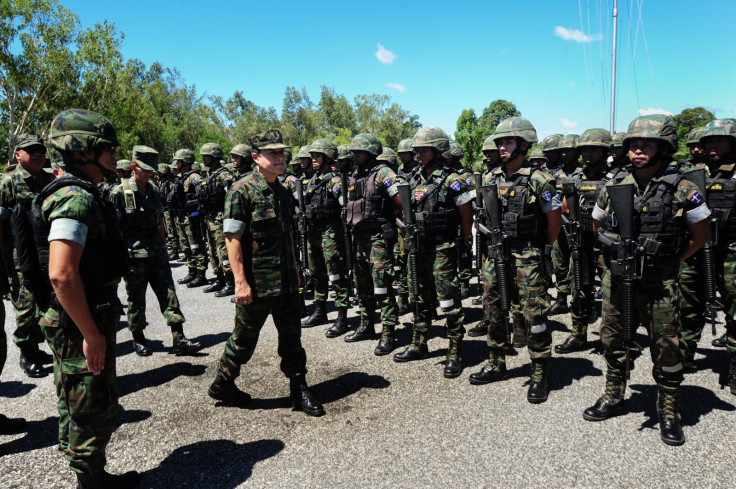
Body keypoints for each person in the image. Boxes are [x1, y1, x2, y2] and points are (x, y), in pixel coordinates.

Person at [583, 114, 709, 446]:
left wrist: (672, 261)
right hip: (619, 279)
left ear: (663, 149)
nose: (638, 150)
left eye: (646, 144)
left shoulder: (683, 187)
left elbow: (699, 235)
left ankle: (668, 410)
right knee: (612, 339)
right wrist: (612, 260)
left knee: (667, 347)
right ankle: (614, 394)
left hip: (659, 282)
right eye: (634, 145)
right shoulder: (615, 185)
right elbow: (596, 227)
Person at [40, 109, 140, 487]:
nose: (115, 155)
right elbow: (61, 275)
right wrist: (91, 335)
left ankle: (90, 476)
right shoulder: (75, 199)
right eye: (107, 148)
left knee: (77, 401)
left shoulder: (81, 192)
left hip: (79, 314)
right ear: (82, 151)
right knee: (92, 407)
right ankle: (91, 482)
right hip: (78, 320)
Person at [207, 129, 324, 417]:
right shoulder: (241, 190)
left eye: (282, 152)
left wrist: (296, 269)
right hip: (256, 284)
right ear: (256, 157)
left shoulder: (283, 192)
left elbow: (290, 235)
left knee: (292, 338)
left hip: (284, 282)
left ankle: (299, 389)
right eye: (273, 153)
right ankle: (223, 383)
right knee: (244, 340)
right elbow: (231, 239)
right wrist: (240, 282)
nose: (280, 157)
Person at [469, 117, 562, 404]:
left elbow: (554, 222)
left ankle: (539, 372)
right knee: (493, 309)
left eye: (508, 142)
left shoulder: (539, 180)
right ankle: (497, 363)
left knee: (535, 315)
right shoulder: (489, 178)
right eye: (500, 143)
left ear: (523, 145)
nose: (502, 148)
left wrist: (539, 250)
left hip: (527, 255)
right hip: (496, 254)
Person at [393, 127, 472, 378]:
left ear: (439, 152)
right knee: (418, 295)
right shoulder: (413, 178)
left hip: (442, 247)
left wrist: (464, 241)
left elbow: (466, 215)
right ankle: (419, 343)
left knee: (448, 300)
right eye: (416, 150)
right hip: (418, 247)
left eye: (424, 150)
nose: (418, 154)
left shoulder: (452, 180)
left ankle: (455, 351)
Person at [109, 146, 201, 357]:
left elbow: (159, 221)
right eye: (145, 168)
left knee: (169, 295)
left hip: (156, 252)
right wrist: (122, 260)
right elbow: (114, 230)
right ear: (133, 167)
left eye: (152, 169)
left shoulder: (152, 189)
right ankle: (138, 338)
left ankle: (179, 337)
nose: (150, 173)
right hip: (134, 255)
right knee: (136, 299)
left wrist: (164, 248)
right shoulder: (119, 192)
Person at [0, 134, 55, 378]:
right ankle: (27, 353)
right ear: (17, 154)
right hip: (19, 256)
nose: (37, 154)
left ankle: (36, 346)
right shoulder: (7, 182)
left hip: (49, 251)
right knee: (25, 308)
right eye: (30, 150)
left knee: (47, 301)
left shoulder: (50, 179)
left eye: (40, 150)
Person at [555, 128, 612, 354]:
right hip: (581, 242)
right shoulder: (575, 180)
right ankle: (578, 335)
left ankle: (612, 337)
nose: (588, 154)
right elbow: (565, 208)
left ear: (604, 151)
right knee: (578, 288)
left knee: (612, 293)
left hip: (608, 244)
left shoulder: (615, 178)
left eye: (593, 149)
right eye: (585, 149)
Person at [344, 133, 402, 355]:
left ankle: (389, 332)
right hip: (359, 238)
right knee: (362, 285)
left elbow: (400, 203)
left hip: (378, 237)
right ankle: (366, 325)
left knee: (382, 286)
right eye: (354, 152)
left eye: (359, 151)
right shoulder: (354, 175)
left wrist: (387, 221)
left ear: (371, 152)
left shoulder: (384, 173)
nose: (355, 155)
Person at [300, 139, 350, 336]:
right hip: (314, 232)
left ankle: (342, 318)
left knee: (335, 275)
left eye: (317, 156)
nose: (313, 160)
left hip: (330, 233)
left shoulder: (334, 180)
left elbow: (344, 206)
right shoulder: (312, 180)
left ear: (328, 158)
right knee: (316, 272)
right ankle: (320, 311)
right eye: (312, 156)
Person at [549, 134, 580, 316]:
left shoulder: (583, 174)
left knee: (579, 268)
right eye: (561, 151)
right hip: (560, 227)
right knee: (559, 265)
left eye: (568, 151)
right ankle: (561, 299)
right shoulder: (555, 176)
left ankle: (583, 304)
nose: (564, 155)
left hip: (580, 228)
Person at [199, 142, 235, 296]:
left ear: (214, 156)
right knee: (213, 250)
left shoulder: (224, 174)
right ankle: (219, 279)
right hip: (210, 217)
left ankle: (230, 282)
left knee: (223, 251)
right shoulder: (209, 174)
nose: (203, 158)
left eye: (206, 156)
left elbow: (230, 196)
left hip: (220, 217)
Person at [171, 149, 208, 287]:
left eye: (179, 161)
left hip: (191, 217)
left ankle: (201, 274)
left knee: (196, 245)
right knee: (186, 246)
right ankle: (191, 271)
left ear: (185, 162)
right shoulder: (180, 177)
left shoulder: (194, 177)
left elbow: (203, 191)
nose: (177, 164)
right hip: (180, 217)